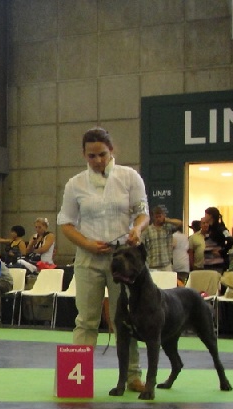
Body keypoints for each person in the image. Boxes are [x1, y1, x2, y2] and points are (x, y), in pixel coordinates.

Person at [57, 127, 148, 392]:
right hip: (88, 259)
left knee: (125, 320)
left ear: (112, 151)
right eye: (91, 156)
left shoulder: (130, 177)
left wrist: (137, 229)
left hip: (124, 260)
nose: (98, 160)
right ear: (84, 155)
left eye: (102, 154)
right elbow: (66, 223)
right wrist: (86, 243)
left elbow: (143, 213)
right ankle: (76, 379)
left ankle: (133, 375)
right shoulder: (75, 184)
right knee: (86, 320)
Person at [141, 205, 182, 271]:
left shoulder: (168, 227)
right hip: (152, 265)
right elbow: (142, 245)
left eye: (160, 216)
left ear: (163, 216)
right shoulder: (147, 230)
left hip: (166, 265)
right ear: (153, 217)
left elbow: (180, 223)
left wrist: (166, 220)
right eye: (156, 217)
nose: (158, 219)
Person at [202, 207, 229, 273]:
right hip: (207, 262)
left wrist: (222, 252)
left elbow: (230, 240)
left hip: (217, 263)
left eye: (206, 214)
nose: (205, 217)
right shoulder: (209, 229)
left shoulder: (221, 228)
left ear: (210, 216)